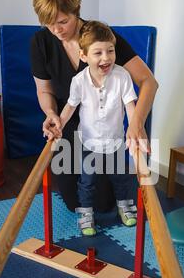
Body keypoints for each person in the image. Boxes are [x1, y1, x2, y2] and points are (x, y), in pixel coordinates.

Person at [31, 0, 158, 212]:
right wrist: (50, 114)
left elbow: (149, 82)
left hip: (109, 128)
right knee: (75, 202)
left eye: (63, 21)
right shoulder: (40, 43)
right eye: (49, 23)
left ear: (75, 9)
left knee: (104, 203)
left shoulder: (102, 39)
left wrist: (136, 123)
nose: (57, 30)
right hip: (70, 129)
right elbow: (44, 90)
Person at [56, 21, 138, 236]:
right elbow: (69, 108)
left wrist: (134, 131)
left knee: (120, 178)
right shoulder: (79, 81)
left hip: (115, 141)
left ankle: (124, 206)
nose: (106, 58)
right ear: (83, 56)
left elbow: (130, 106)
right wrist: (58, 126)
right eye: (98, 53)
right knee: (87, 180)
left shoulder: (122, 76)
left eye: (110, 51)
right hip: (89, 142)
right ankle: (86, 213)